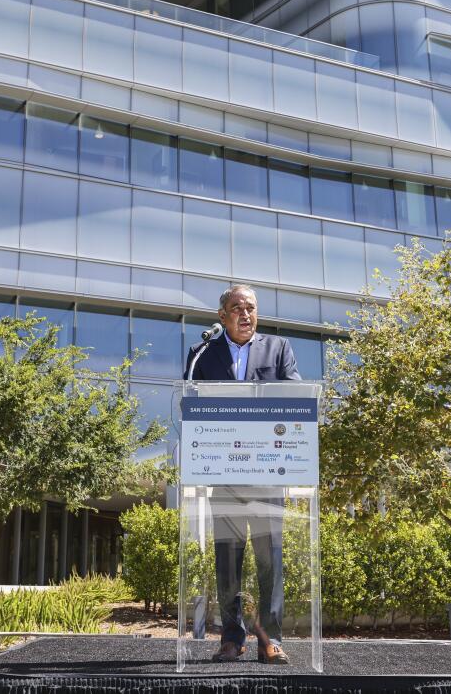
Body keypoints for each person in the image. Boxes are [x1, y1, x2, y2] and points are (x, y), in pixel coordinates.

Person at [184, 284, 300, 664]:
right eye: (237, 308)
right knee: (227, 561)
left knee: (270, 561)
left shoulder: (278, 349)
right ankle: (231, 638)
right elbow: (191, 403)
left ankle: (271, 638)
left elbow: (294, 396)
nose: (245, 314)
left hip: (267, 472)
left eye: (251, 308)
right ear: (222, 316)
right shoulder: (203, 353)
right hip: (225, 475)